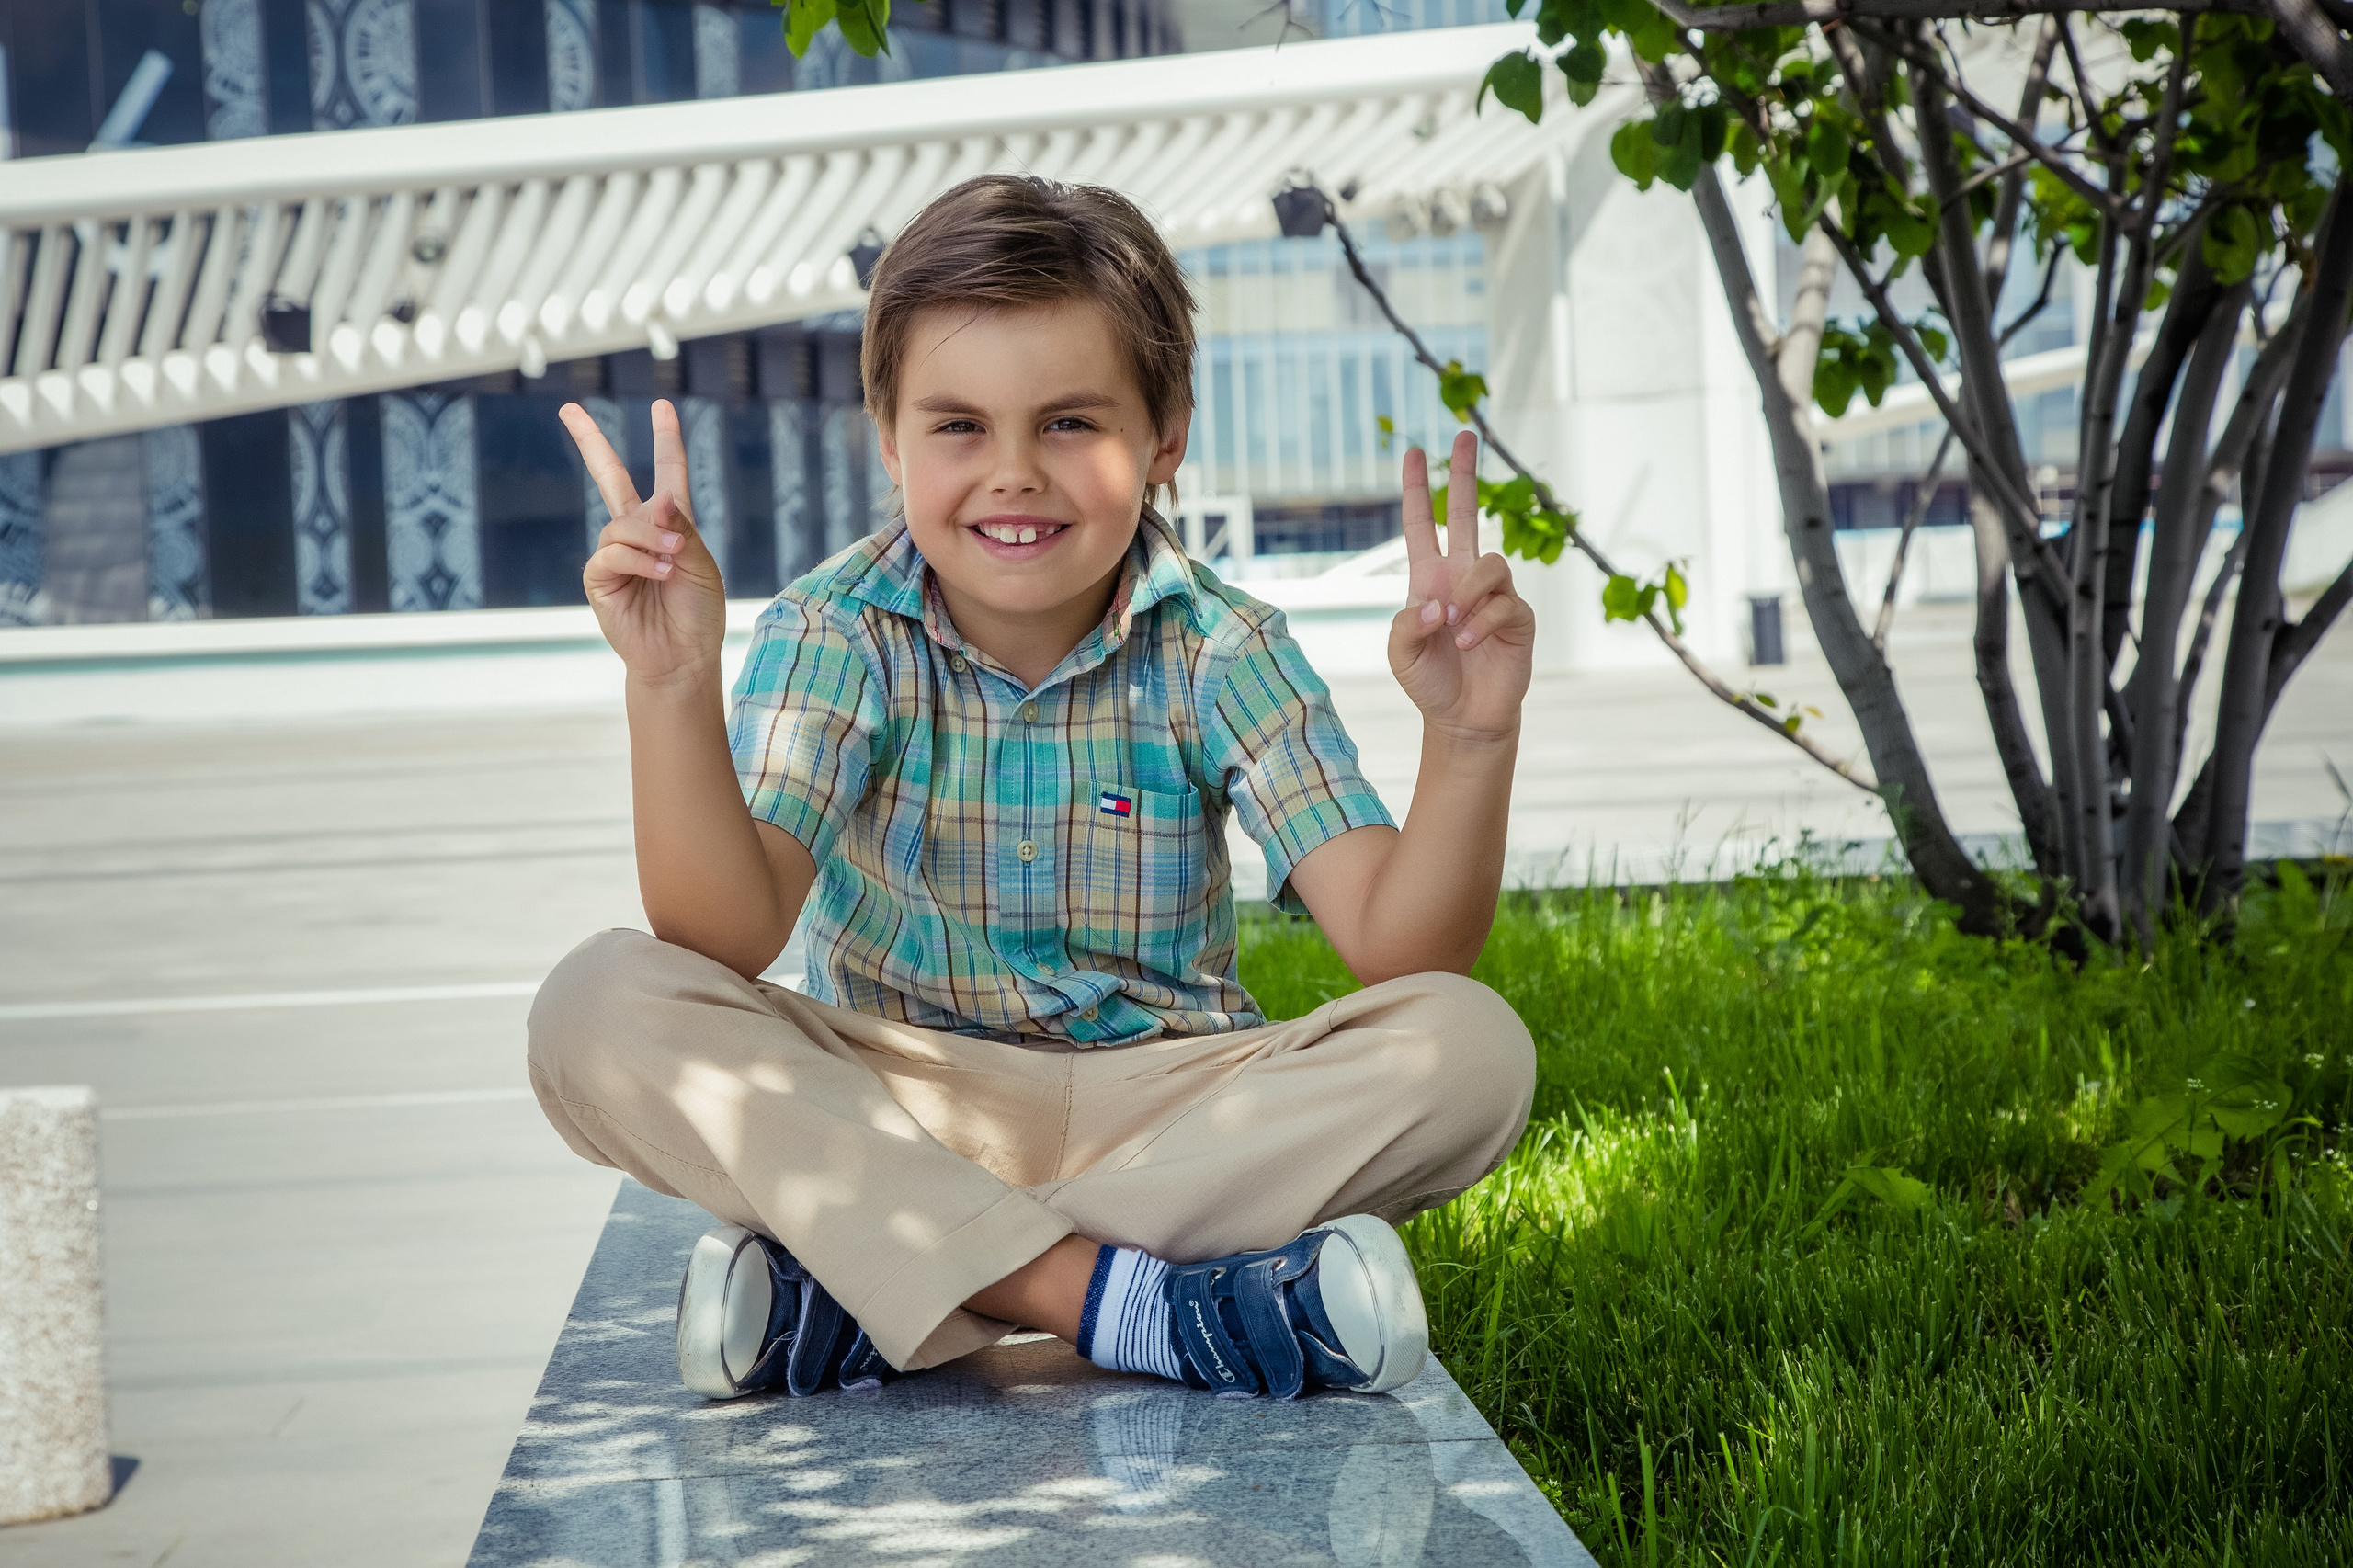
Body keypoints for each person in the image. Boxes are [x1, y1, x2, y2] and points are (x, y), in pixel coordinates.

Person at [527, 174, 1537, 1404]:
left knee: (1470, 1051)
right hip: (904, 1094)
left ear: (1165, 440)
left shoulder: (1223, 648)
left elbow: (1402, 947)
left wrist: (1469, 736)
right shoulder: (835, 629)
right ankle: (1135, 1303)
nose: (1013, 474)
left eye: (1069, 423)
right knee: (593, 1006)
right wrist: (671, 684)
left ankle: (880, 1285)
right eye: (959, 426)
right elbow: (720, 935)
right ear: (889, 441)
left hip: (1168, 1105)